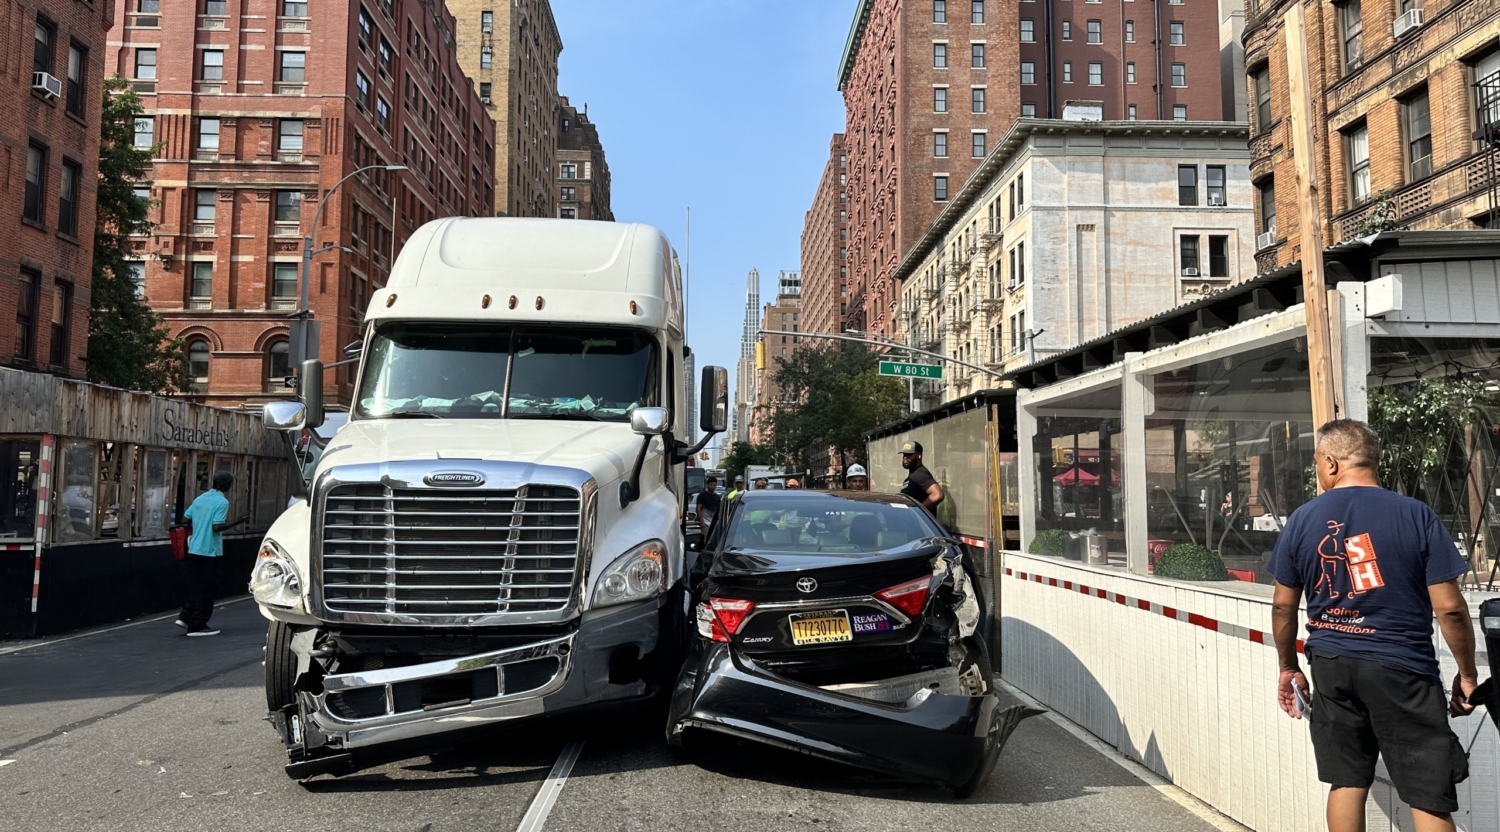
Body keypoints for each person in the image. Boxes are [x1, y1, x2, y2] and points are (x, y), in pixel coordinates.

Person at [1269, 420, 1479, 832]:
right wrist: (1467, 674)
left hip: (1331, 664)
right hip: (1402, 668)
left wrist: (1288, 666)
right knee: (1427, 794)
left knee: (1347, 780)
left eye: (1317, 463)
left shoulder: (1302, 519)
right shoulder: (1415, 514)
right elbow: (1450, 609)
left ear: (1331, 463)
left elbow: (1282, 606)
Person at [175, 471, 250, 636]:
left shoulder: (200, 499)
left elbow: (185, 519)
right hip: (210, 550)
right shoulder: (222, 502)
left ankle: (185, 616)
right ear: (225, 485)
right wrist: (237, 521)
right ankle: (198, 625)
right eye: (230, 483)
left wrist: (201, 521)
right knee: (208, 588)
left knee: (198, 585)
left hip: (194, 548)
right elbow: (216, 527)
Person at [899, 441, 944, 515]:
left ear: (919, 455)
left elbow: (937, 495)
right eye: (904, 454)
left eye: (909, 454)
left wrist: (917, 512)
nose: (905, 457)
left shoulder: (920, 473)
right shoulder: (914, 475)